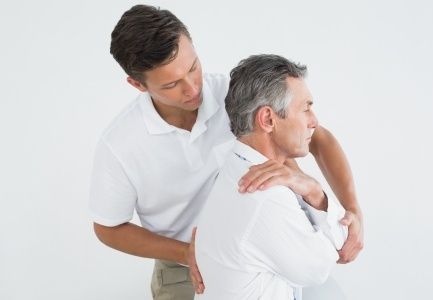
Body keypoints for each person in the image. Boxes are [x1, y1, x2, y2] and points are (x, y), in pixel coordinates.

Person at [89, 4, 363, 299]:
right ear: (137, 84)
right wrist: (189, 252)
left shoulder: (231, 95)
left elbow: (316, 137)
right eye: (171, 84)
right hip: (182, 260)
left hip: (263, 245)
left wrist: (352, 209)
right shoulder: (119, 145)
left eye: (193, 67)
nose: (192, 88)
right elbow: (108, 228)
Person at [195, 54, 347, 300]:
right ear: (267, 119)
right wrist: (314, 190)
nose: (314, 121)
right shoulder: (264, 195)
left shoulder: (234, 169)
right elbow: (325, 263)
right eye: (306, 108)